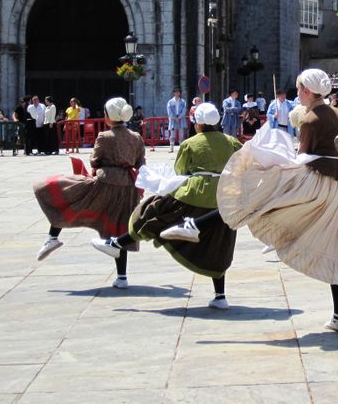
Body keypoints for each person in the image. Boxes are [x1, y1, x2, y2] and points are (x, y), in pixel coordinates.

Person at [161, 69, 338, 332]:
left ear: (306, 90)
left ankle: (196, 226)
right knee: (337, 245)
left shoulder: (311, 119)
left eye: (299, 89)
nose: (298, 94)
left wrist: (274, 161)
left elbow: (303, 157)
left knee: (257, 201)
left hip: (315, 182)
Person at [92, 103, 242, 308]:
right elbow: (241, 164)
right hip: (223, 198)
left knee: (152, 213)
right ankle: (220, 296)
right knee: (219, 243)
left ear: (198, 123)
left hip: (194, 193)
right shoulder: (232, 142)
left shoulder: (190, 143)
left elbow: (181, 169)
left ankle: (117, 243)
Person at [33, 98, 146, 288]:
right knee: (119, 227)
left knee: (72, 197)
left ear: (109, 116)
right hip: (128, 187)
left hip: (105, 183)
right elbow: (141, 163)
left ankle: (53, 237)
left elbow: (95, 160)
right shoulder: (136, 137)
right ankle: (122, 277)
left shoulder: (104, 136)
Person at [166, 89, 187, 153]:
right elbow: (169, 111)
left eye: (178, 92)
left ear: (179, 93)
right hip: (173, 120)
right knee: (172, 135)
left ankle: (181, 148)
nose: (177, 93)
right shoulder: (170, 102)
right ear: (174, 93)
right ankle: (171, 148)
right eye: (176, 92)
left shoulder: (183, 102)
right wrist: (175, 118)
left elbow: (184, 110)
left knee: (181, 135)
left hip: (181, 119)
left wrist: (179, 117)